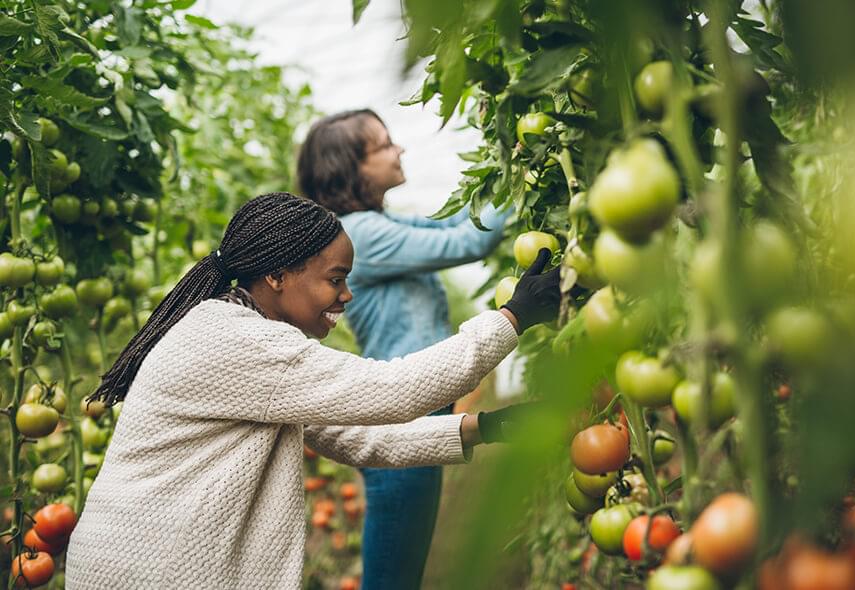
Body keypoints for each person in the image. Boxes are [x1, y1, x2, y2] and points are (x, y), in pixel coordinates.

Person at [64, 192, 561, 589]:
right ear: (277, 275)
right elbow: (395, 389)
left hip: (140, 561)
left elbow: (359, 437)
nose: (346, 295)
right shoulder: (239, 340)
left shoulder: (244, 342)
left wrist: (485, 428)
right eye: (335, 279)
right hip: (149, 569)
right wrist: (511, 318)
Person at [298, 109, 511, 589]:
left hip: (417, 412)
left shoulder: (377, 225)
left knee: (400, 569)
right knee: (394, 577)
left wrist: (501, 170)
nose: (400, 150)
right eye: (384, 145)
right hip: (403, 417)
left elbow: (451, 225)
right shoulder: (361, 234)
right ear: (350, 168)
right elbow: (467, 240)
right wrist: (520, 176)